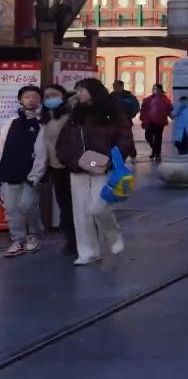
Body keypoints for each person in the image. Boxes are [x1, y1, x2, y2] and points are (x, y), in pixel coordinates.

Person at [55, 78, 135, 266]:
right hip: (78, 166)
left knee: (98, 207)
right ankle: (88, 252)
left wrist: (110, 160)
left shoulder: (112, 112)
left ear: (93, 91)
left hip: (102, 165)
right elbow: (63, 140)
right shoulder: (75, 113)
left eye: (81, 90)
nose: (78, 94)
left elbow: (125, 138)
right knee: (81, 212)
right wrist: (71, 160)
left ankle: (113, 236)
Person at [1, 85, 45, 257]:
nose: (31, 100)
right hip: (9, 171)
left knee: (27, 205)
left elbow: (43, 151)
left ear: (40, 100)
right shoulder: (11, 122)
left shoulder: (43, 123)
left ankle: (34, 234)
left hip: (32, 173)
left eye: (35, 97)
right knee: (11, 208)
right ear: (20, 100)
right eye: (27, 97)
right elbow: (2, 145)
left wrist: (38, 174)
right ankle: (18, 240)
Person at [32, 84, 75, 256]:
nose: (50, 98)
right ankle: (71, 240)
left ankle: (79, 242)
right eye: (47, 96)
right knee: (65, 206)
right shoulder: (47, 117)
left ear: (63, 96)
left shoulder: (71, 115)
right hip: (56, 168)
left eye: (54, 94)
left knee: (75, 206)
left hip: (72, 167)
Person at [139, 84, 172, 161]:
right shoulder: (148, 99)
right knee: (148, 136)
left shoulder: (165, 100)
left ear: (160, 90)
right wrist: (143, 118)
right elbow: (143, 109)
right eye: (154, 89)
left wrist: (171, 115)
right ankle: (155, 149)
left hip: (160, 122)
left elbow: (169, 109)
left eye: (156, 89)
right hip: (150, 121)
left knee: (158, 138)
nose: (155, 90)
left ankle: (156, 153)